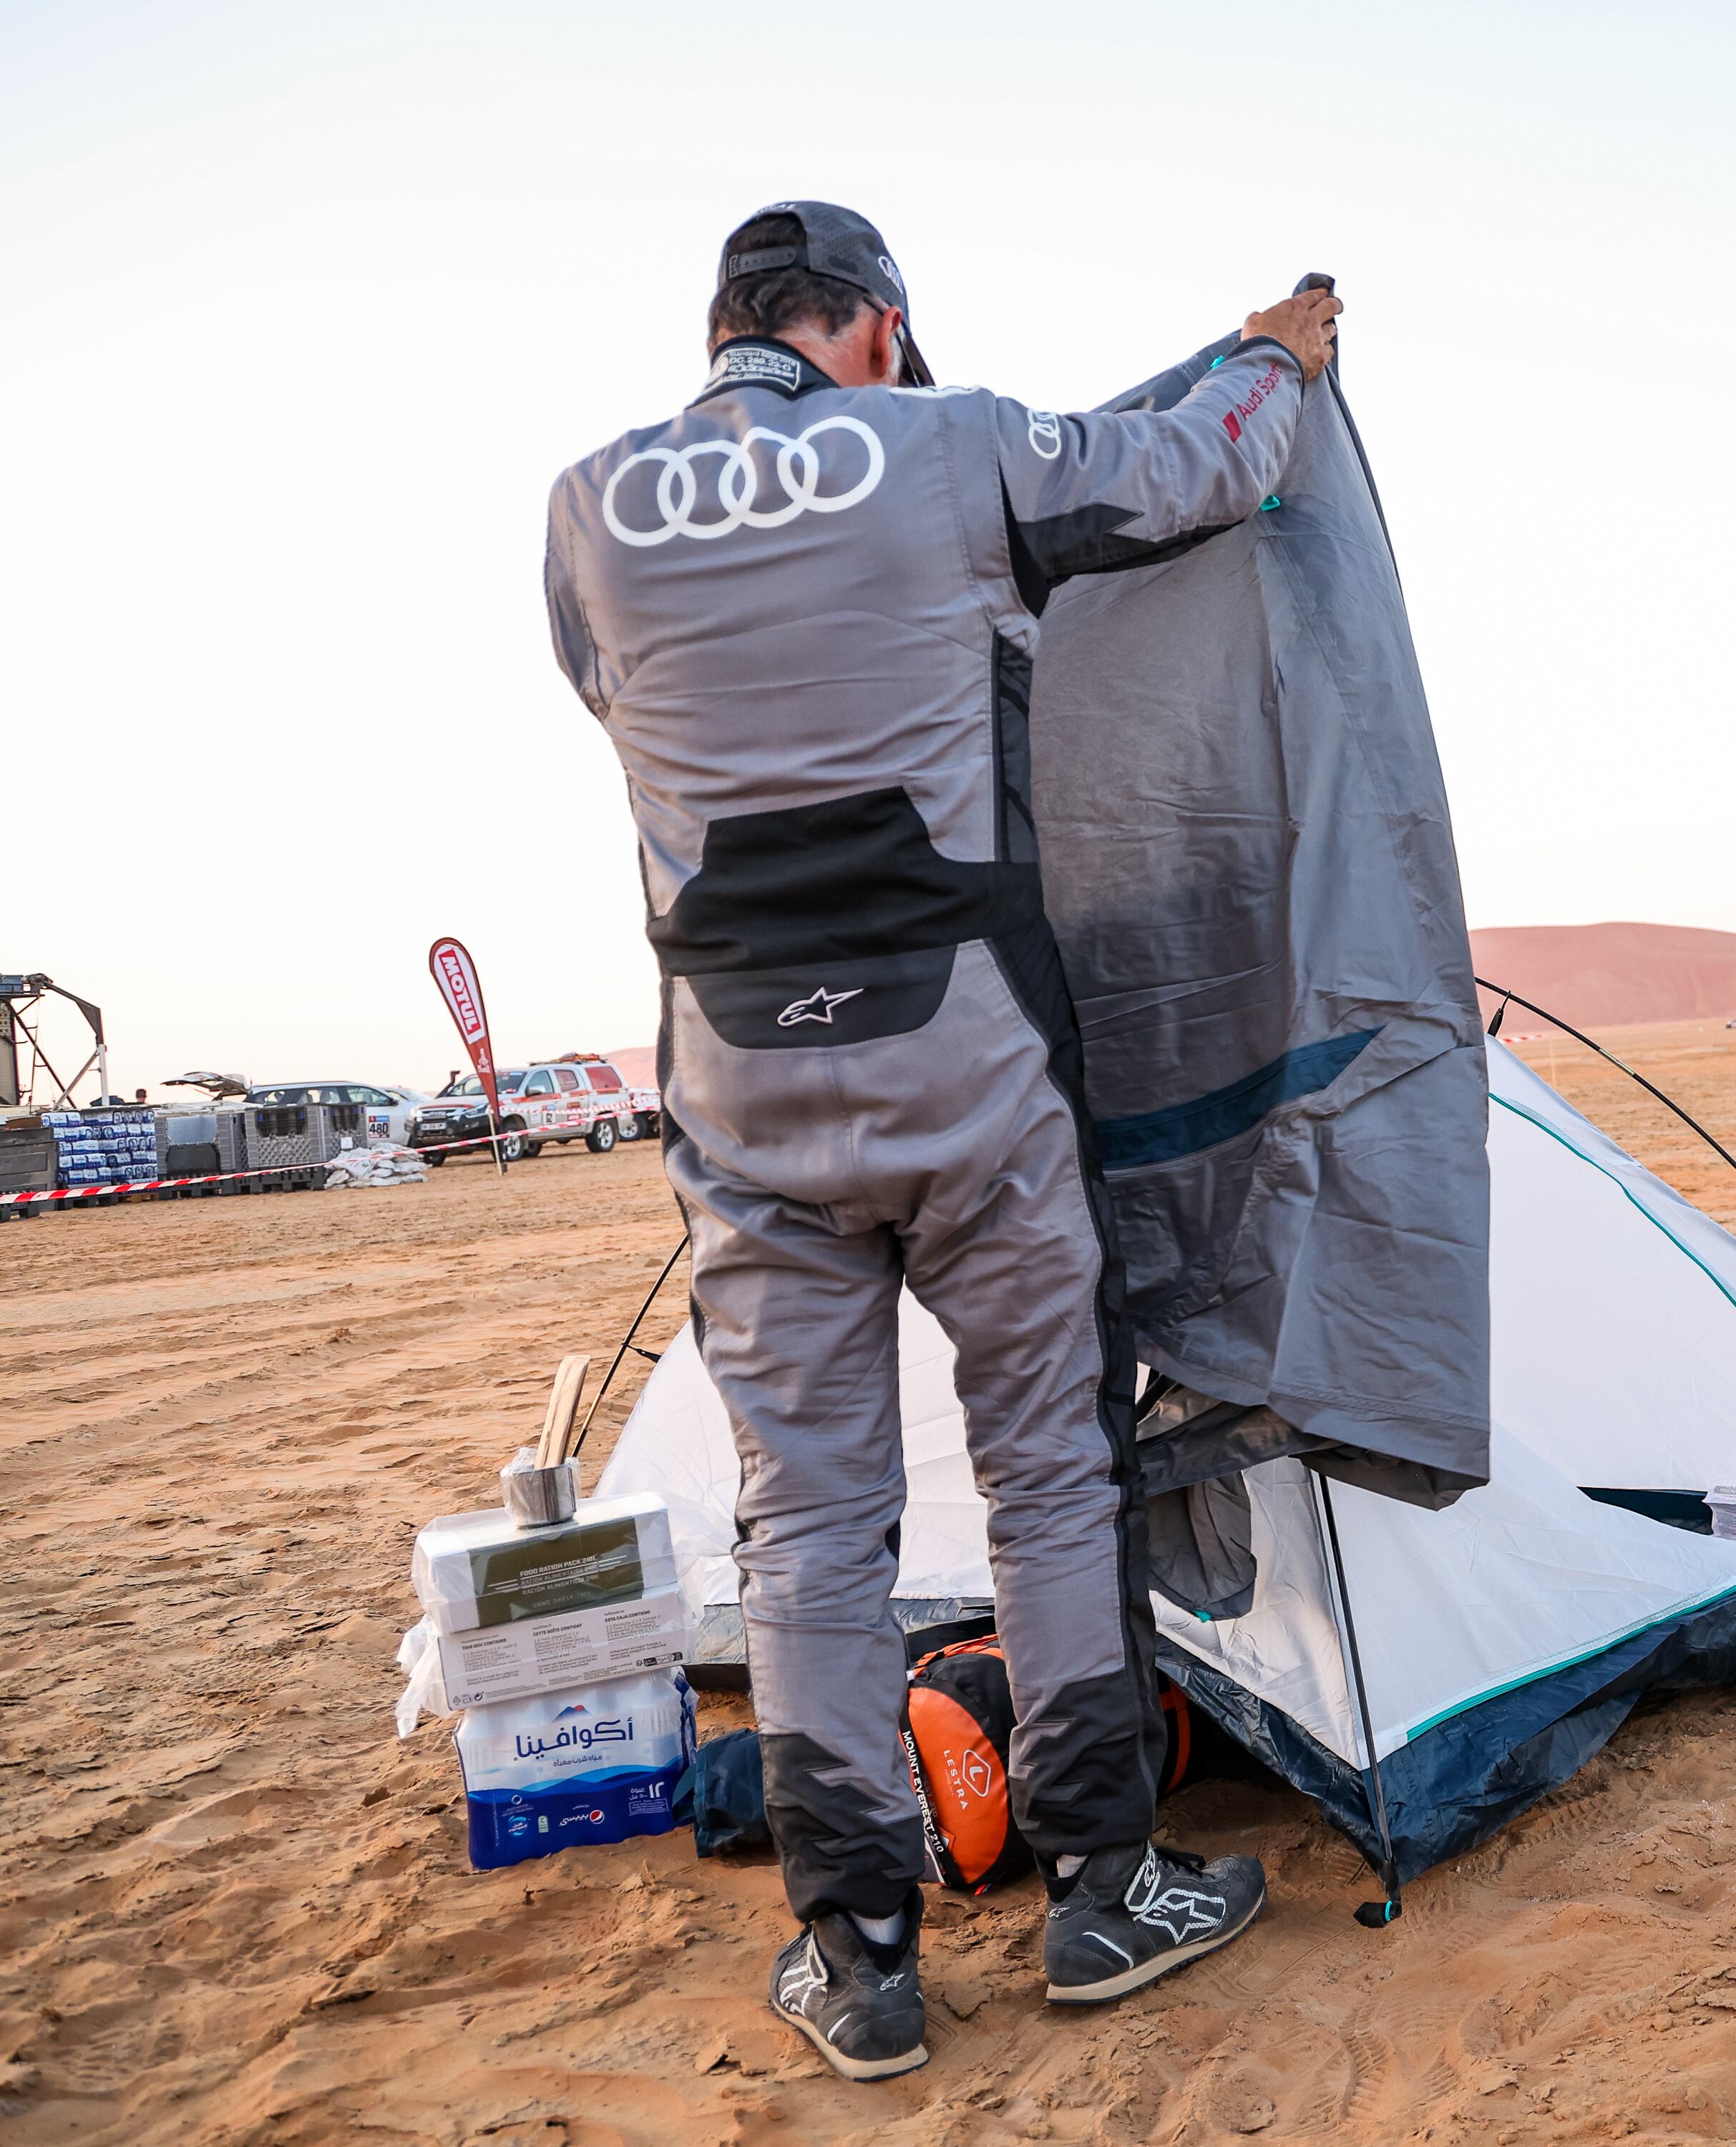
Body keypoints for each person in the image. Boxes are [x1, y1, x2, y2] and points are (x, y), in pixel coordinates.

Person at [542, 201, 1340, 2081]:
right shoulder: (952, 440)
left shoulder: (589, 503)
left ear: (722, 328)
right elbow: (1201, 471)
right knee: (1048, 1472)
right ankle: (1099, 1895)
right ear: (876, 329)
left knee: (805, 1522)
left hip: (741, 1083)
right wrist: (1274, 353)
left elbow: (615, 692)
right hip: (967, 1060)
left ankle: (857, 1955)